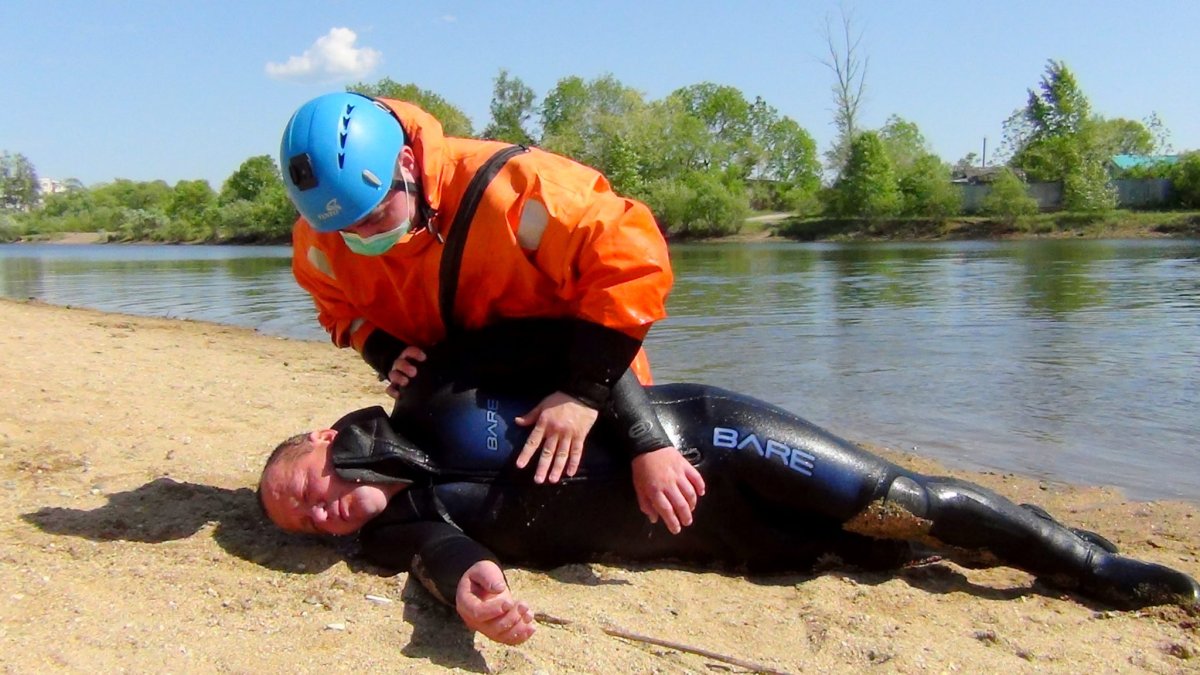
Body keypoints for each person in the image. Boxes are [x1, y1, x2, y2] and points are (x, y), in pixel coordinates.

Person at [258, 337, 1200, 646]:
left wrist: (634, 436)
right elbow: (444, 558)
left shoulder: (432, 383)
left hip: (711, 442)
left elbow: (594, 333)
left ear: (319, 439)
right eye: (303, 526)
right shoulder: (389, 533)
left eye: (303, 490)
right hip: (717, 542)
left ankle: (1088, 560)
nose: (319, 514)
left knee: (905, 504)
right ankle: (1025, 532)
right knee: (881, 552)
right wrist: (476, 593)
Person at [278, 91, 686, 499]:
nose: (362, 235)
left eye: (373, 216)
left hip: (591, 388)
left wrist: (583, 394)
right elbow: (338, 308)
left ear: (405, 164)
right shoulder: (320, 237)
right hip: (473, 404)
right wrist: (383, 350)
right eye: (346, 229)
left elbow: (633, 262)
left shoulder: (520, 188)